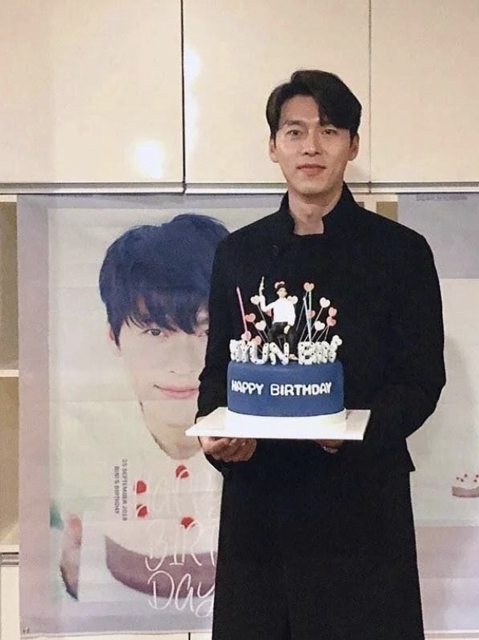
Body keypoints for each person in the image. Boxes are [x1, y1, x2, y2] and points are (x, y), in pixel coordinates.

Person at [196, 70, 446, 639]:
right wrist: (218, 438)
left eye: (329, 131)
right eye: (295, 131)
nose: (311, 146)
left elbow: (422, 381)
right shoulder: (238, 253)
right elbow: (217, 376)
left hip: (362, 505)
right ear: (273, 146)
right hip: (261, 508)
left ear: (352, 146)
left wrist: (354, 432)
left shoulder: (401, 253)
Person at [58, 214, 228, 601]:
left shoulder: (266, 436)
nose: (184, 363)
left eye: (206, 330)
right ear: (114, 338)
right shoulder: (80, 450)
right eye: (155, 331)